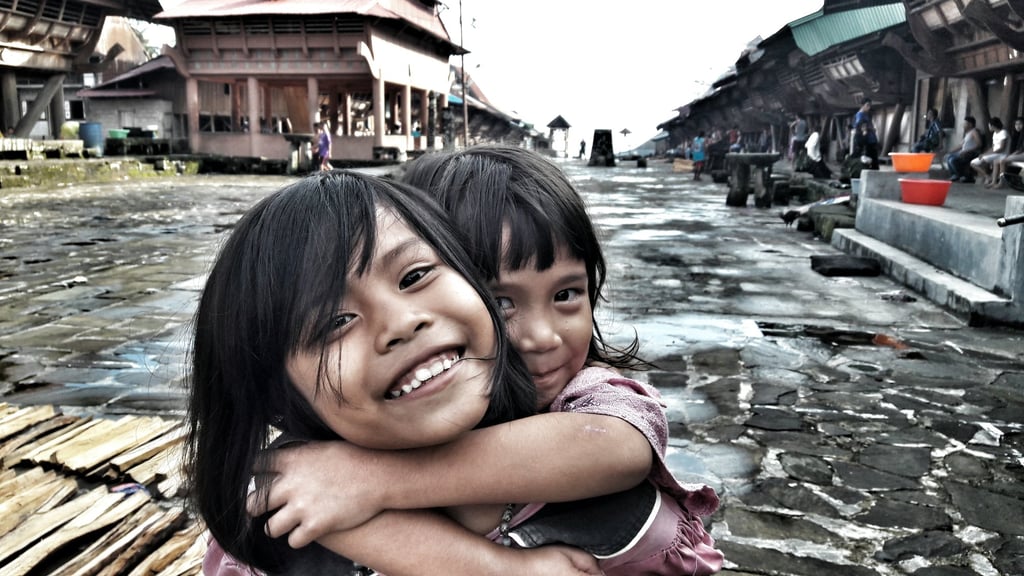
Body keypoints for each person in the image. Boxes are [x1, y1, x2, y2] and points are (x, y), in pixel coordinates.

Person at [254, 146, 724, 575]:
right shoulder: (364, 424)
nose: (542, 338)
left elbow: (618, 447)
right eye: (501, 303)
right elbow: (314, 501)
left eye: (566, 294)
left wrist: (377, 479)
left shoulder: (585, 393)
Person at [191, 170, 611, 575]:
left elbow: (618, 442)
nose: (401, 324)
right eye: (335, 323)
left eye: (415, 275)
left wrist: (375, 479)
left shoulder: (574, 399)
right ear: (275, 397)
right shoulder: (282, 515)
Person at [970, 117, 1009, 185]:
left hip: (1001, 154)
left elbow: (1001, 148)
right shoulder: (995, 134)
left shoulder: (1003, 132)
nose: (989, 127)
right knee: (973, 163)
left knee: (981, 161)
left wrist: (986, 155)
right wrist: (984, 153)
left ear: (993, 126)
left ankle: (994, 180)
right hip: (995, 154)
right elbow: (993, 147)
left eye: (989, 126)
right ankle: (987, 177)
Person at [945, 116, 983, 183]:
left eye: (965, 123)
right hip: (963, 152)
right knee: (947, 157)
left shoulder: (974, 132)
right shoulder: (967, 134)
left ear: (970, 124)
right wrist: (950, 151)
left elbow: (979, 144)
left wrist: (967, 151)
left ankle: (961, 175)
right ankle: (954, 175)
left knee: (952, 160)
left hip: (971, 153)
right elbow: (961, 145)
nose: (963, 125)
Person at [989, 117, 1024, 189]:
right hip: (1018, 154)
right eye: (1016, 124)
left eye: (1020, 124)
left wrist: (1010, 156)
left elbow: (1020, 150)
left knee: (1003, 161)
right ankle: (994, 181)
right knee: (996, 161)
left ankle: (1002, 183)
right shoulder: (1016, 134)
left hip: (1022, 154)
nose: (1018, 126)